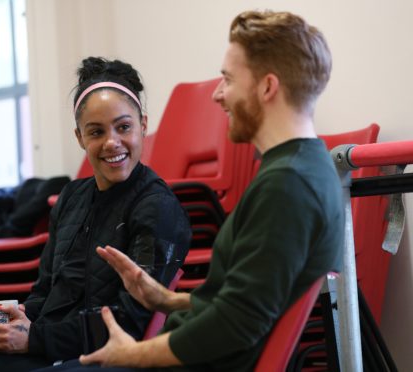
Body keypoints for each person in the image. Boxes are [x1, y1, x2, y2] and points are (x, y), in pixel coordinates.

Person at [47, 10, 345, 372]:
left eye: (228, 79)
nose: (218, 95)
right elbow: (246, 300)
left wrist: (131, 356)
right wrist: (168, 300)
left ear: (267, 87)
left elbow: (235, 324)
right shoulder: (301, 168)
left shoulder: (289, 187)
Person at [0, 57, 191, 371]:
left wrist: (32, 339)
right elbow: (44, 293)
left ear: (143, 125)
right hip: (43, 339)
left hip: (82, 353)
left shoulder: (158, 207)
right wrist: (15, 316)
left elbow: (129, 325)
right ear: (80, 137)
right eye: (96, 131)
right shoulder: (72, 196)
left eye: (124, 127)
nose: (112, 142)